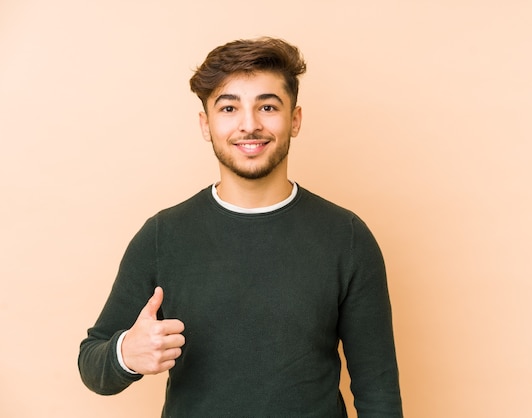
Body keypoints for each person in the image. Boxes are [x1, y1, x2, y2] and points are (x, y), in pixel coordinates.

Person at [78, 37, 403, 417]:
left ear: (294, 120)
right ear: (206, 124)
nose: (249, 125)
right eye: (229, 107)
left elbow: (378, 392)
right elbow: (93, 363)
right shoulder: (162, 236)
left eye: (267, 106)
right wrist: (125, 354)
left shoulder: (346, 237)